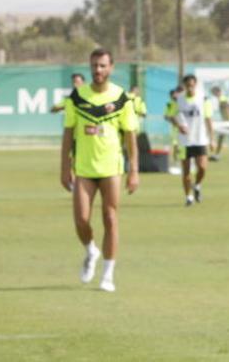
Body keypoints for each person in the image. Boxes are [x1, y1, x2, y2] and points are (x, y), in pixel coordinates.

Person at [60, 48, 138, 293]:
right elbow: (68, 133)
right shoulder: (77, 97)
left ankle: (108, 275)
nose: (98, 70)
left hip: (111, 168)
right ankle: (91, 250)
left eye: (103, 65)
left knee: (110, 218)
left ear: (111, 67)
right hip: (83, 168)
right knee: (81, 219)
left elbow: (130, 137)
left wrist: (134, 170)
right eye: (94, 65)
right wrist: (64, 167)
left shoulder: (121, 98)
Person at [166, 74, 214, 206]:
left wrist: (212, 138)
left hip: (200, 138)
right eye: (188, 85)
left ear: (196, 84)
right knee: (186, 171)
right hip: (184, 140)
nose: (190, 87)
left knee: (202, 167)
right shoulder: (178, 99)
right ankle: (188, 197)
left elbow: (209, 119)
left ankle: (197, 185)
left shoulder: (203, 98)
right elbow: (170, 116)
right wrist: (179, 125)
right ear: (185, 86)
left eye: (192, 85)